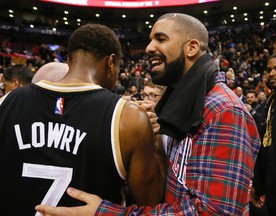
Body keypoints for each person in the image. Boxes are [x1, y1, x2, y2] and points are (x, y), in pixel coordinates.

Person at [35, 13, 261, 216]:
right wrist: (152, 141)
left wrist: (107, 212)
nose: (149, 47)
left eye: (161, 39)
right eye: (151, 39)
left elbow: (213, 211)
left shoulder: (224, 111)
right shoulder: (183, 103)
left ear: (191, 48)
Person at [0, 23, 165, 215]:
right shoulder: (128, 118)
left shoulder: (5, 102)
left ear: (69, 60)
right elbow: (151, 201)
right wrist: (156, 143)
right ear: (111, 62)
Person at [251, 51, 276, 215]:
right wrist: (257, 186)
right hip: (273, 195)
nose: (272, 73)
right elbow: (261, 150)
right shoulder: (266, 107)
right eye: (269, 70)